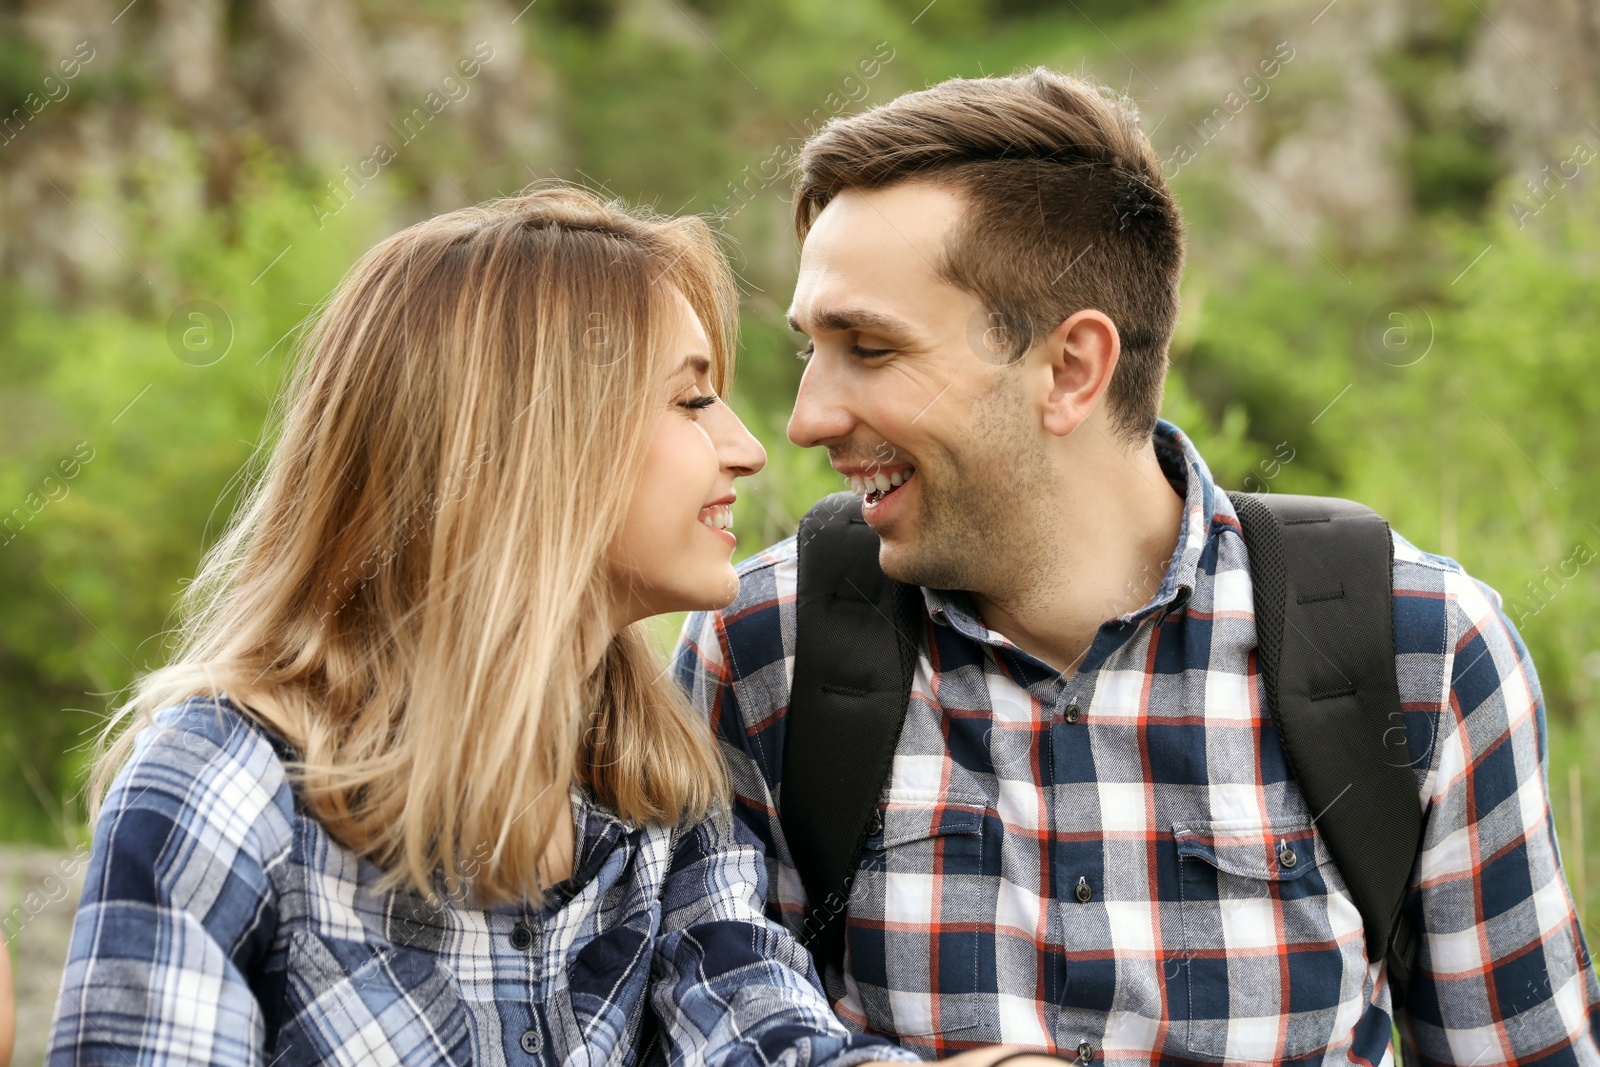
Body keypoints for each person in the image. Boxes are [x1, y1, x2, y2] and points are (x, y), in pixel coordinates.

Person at [674, 69, 1600, 1064]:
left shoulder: (1420, 648)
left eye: (868, 347)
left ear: (1070, 368)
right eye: (813, 347)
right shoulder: (760, 646)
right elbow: (700, 1026)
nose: (806, 418)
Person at [43, 186, 1053, 1066]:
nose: (746, 445)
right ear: (532, 444)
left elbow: (758, 1038)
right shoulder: (225, 787)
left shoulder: (657, 796)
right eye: (692, 398)